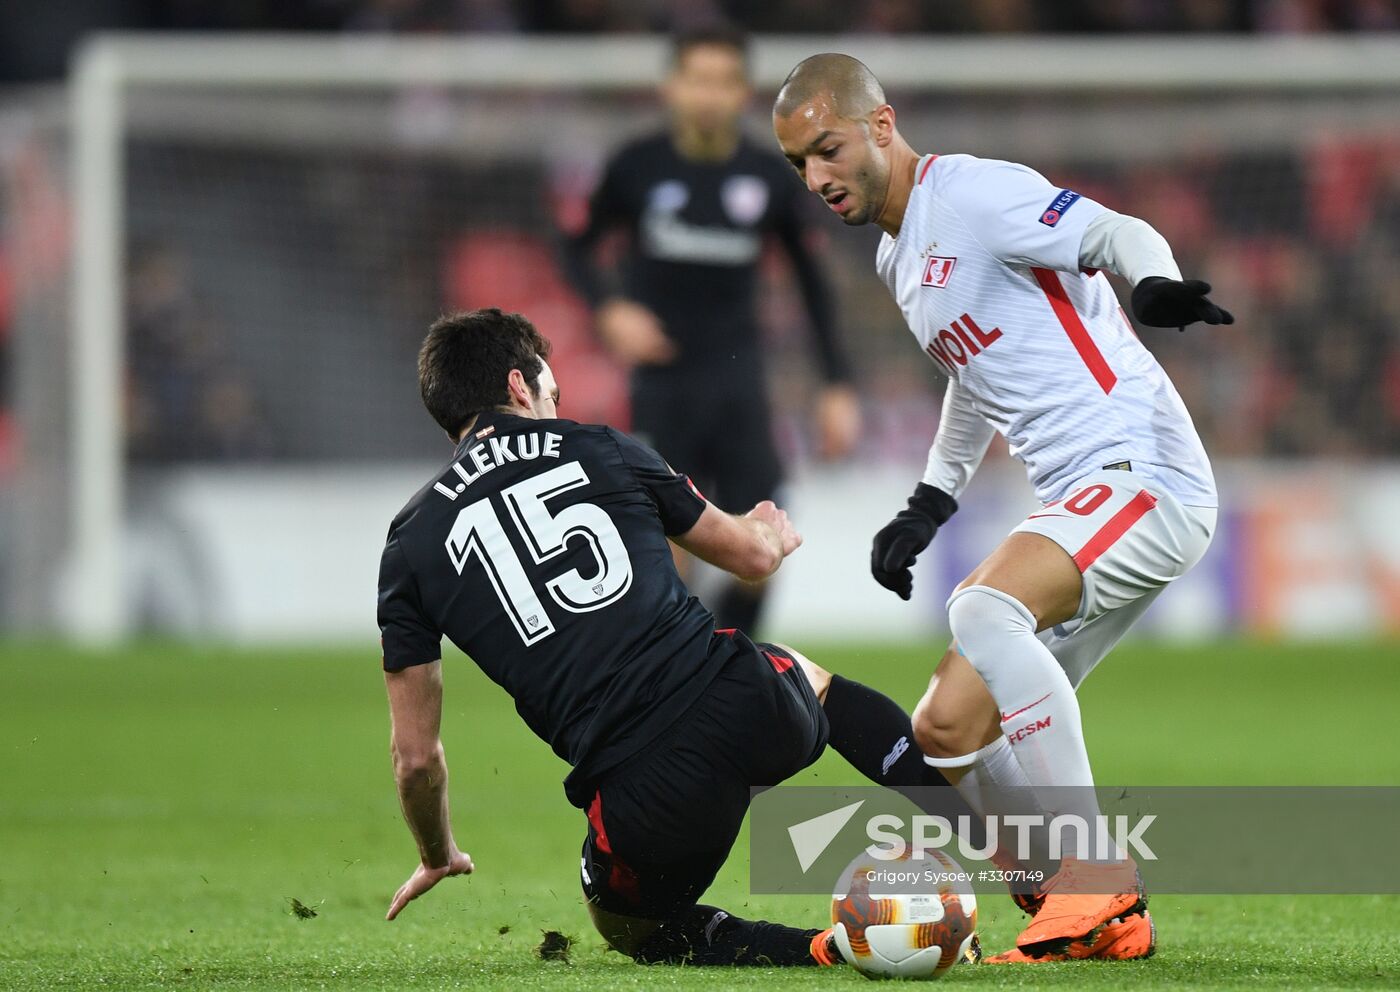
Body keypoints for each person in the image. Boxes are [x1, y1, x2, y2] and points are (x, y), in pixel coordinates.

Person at [773, 55, 1233, 964]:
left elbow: (1114, 229)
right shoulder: (896, 254)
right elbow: (973, 376)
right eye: (798, 165)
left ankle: (1098, 885)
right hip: (1085, 493)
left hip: (1144, 471)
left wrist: (1151, 283)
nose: (818, 177)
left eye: (827, 149)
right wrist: (930, 500)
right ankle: (1077, 913)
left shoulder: (973, 194)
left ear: (880, 125)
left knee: (984, 608)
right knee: (945, 731)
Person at [376, 308, 974, 967]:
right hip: (750, 707)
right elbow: (750, 557)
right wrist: (769, 529)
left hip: (647, 803)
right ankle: (1004, 851)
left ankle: (828, 950)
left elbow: (416, 760)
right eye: (551, 392)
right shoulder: (604, 445)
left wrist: (438, 854)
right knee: (816, 688)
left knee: (630, 929)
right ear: (519, 386)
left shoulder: (410, 543)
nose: (554, 404)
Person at [561, 26, 861, 637]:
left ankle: (726, 655)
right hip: (664, 385)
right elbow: (575, 247)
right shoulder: (637, 167)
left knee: (765, 548)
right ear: (671, 87)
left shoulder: (770, 175)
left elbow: (814, 283)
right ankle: (688, 672)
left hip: (740, 383)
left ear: (743, 92)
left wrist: (837, 385)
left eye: (724, 82)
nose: (709, 95)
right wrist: (609, 309)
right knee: (670, 555)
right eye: (697, 79)